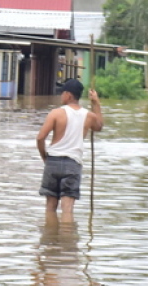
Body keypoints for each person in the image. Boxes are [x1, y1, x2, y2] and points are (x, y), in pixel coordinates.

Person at [36, 78, 104, 223]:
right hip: (72, 163)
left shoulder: (55, 113)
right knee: (67, 208)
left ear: (68, 95)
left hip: (53, 161)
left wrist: (45, 158)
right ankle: (66, 241)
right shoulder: (89, 116)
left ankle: (50, 239)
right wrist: (96, 103)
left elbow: (40, 138)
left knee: (50, 207)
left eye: (62, 93)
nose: (61, 96)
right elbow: (99, 126)